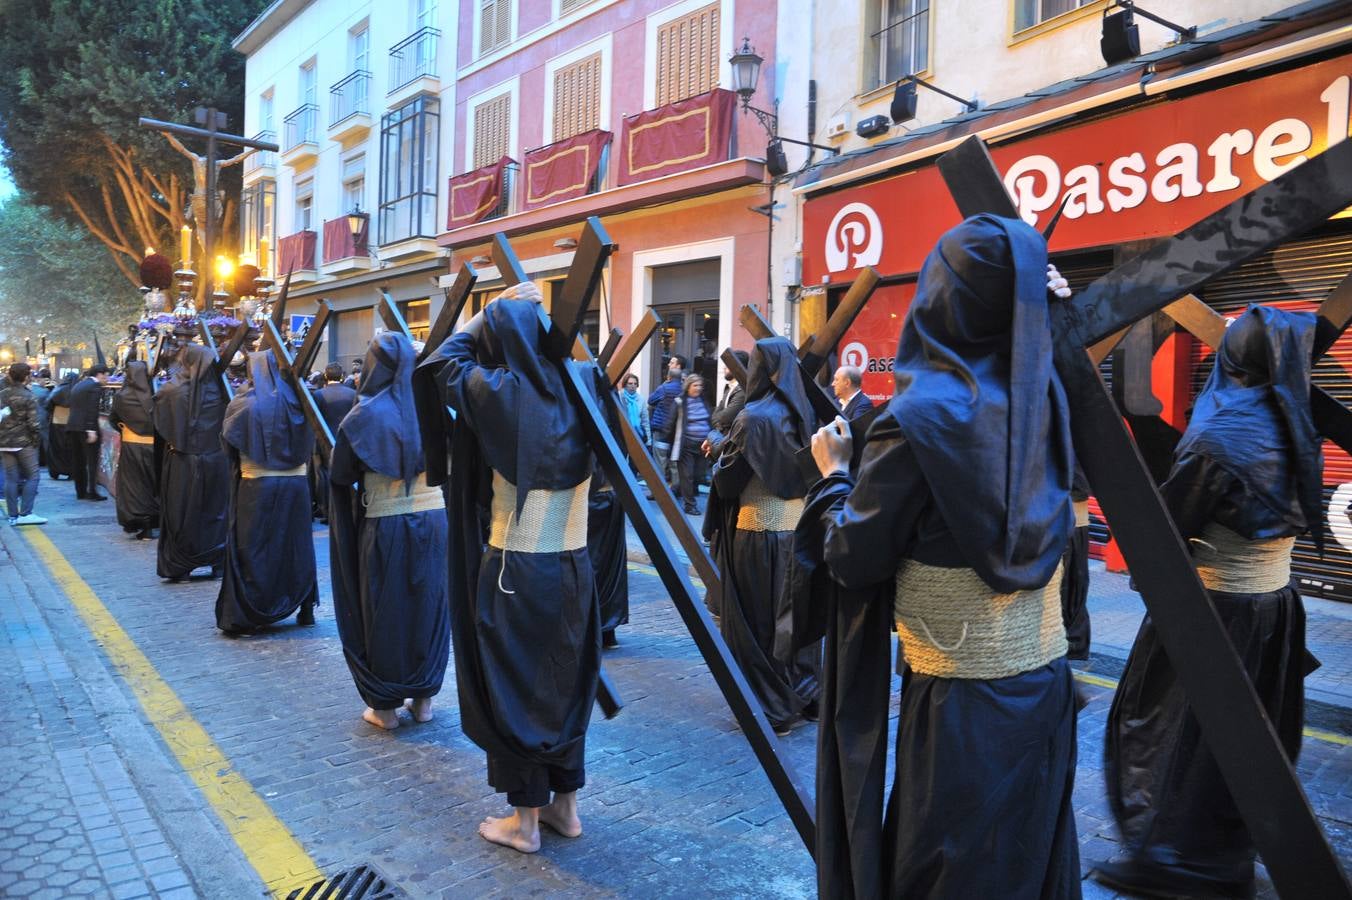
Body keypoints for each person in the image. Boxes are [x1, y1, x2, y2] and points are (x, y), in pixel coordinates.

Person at [792, 216, 1081, 898]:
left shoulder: (915, 419)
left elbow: (851, 557)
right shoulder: (1045, 398)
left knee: (947, 869)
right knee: (1024, 858)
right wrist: (1052, 321)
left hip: (961, 706)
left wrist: (832, 474)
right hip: (1044, 690)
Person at [1096, 306, 1318, 900]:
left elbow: (1166, 533)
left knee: (1174, 740)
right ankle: (1223, 856)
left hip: (1215, 616)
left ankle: (1177, 860)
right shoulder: (1294, 420)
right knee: (1243, 745)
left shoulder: (1220, 436)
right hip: (1273, 611)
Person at [434, 282, 600, 854]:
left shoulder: (498, 390)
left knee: (516, 684)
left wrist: (486, 315)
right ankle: (566, 809)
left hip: (515, 568)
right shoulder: (585, 384)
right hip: (575, 566)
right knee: (566, 681)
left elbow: (442, 361)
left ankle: (525, 822)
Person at [331, 332, 449, 729]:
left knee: (386, 611)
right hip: (434, 522)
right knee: (430, 607)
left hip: (385, 524)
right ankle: (424, 700)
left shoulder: (363, 416)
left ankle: (384, 708)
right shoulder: (434, 409)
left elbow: (341, 474)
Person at [708, 339, 820, 736]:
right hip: (798, 534)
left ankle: (773, 707)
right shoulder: (808, 414)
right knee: (797, 621)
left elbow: (729, 482)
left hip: (758, 534)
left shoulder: (752, 418)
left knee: (758, 625)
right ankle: (806, 696)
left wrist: (720, 458)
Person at [215, 351, 318, 634]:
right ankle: (304, 607)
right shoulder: (299, 403)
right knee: (296, 546)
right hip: (296, 487)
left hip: (257, 487)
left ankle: (250, 611)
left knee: (255, 548)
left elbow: (229, 444)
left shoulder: (243, 405)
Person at [154, 341, 230, 582]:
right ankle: (216, 560)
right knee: (215, 512)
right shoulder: (223, 391)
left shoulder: (170, 391)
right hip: (216, 460)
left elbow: (159, 423)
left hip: (183, 462)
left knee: (182, 510)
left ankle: (182, 565)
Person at [108, 361, 159, 539]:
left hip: (132, 446)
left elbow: (113, 419)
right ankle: (156, 521)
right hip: (155, 447)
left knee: (134, 487)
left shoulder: (122, 397)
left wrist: (125, 428)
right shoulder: (157, 393)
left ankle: (141, 524)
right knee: (155, 484)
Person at [0, 363, 46, 525]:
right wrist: (36, 440)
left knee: (11, 479)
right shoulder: (28, 396)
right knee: (33, 476)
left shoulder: (3, 394)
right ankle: (26, 513)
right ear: (26, 377)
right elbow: (34, 423)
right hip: (23, 442)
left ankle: (13, 515)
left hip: (4, 442)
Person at [312, 363, 357, 523]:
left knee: (323, 476)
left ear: (325, 376)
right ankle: (347, 509)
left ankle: (327, 511)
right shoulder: (352, 394)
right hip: (347, 440)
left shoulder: (318, 395)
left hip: (323, 442)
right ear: (342, 376)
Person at [67, 365, 110, 501]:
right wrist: (91, 429)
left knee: (78, 460)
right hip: (86, 428)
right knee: (91, 461)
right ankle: (91, 491)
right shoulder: (95, 387)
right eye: (106, 375)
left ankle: (80, 491)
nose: (107, 379)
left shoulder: (80, 385)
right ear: (99, 374)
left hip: (73, 426)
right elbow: (92, 409)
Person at [670, 374, 710, 515]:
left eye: (700, 385)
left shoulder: (703, 400)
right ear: (688, 386)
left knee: (699, 475)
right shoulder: (680, 401)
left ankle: (676, 490)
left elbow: (708, 418)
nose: (698, 388)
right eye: (695, 385)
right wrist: (669, 443)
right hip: (686, 445)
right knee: (687, 475)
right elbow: (670, 423)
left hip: (703, 446)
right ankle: (689, 505)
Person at [703, 349, 748, 461]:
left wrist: (718, 426)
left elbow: (726, 417)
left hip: (733, 446)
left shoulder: (742, 390)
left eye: (727, 365)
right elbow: (715, 416)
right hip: (724, 442)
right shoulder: (729, 388)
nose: (724, 368)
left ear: (737, 366)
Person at [648, 366, 684, 489]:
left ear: (669, 377)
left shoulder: (664, 388)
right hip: (676, 431)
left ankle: (659, 489)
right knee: (674, 460)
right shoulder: (684, 390)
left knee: (660, 460)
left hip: (661, 429)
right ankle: (676, 488)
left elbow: (650, 400)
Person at [44, 372, 77, 480]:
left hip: (57, 421)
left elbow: (48, 404)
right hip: (72, 421)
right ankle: (71, 471)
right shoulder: (77, 389)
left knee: (56, 447)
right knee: (71, 448)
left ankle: (56, 470)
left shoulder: (59, 389)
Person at [617, 374, 650, 449]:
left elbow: (645, 421)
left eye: (635, 384)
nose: (633, 386)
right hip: (623, 435)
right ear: (625, 384)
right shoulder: (619, 396)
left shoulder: (641, 399)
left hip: (638, 435)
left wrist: (649, 441)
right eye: (630, 383)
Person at [29, 368, 52, 468]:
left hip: (32, 419)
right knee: (46, 441)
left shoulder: (29, 390)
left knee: (35, 443)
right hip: (43, 420)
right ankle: (49, 461)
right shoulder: (45, 392)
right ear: (40, 379)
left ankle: (35, 462)